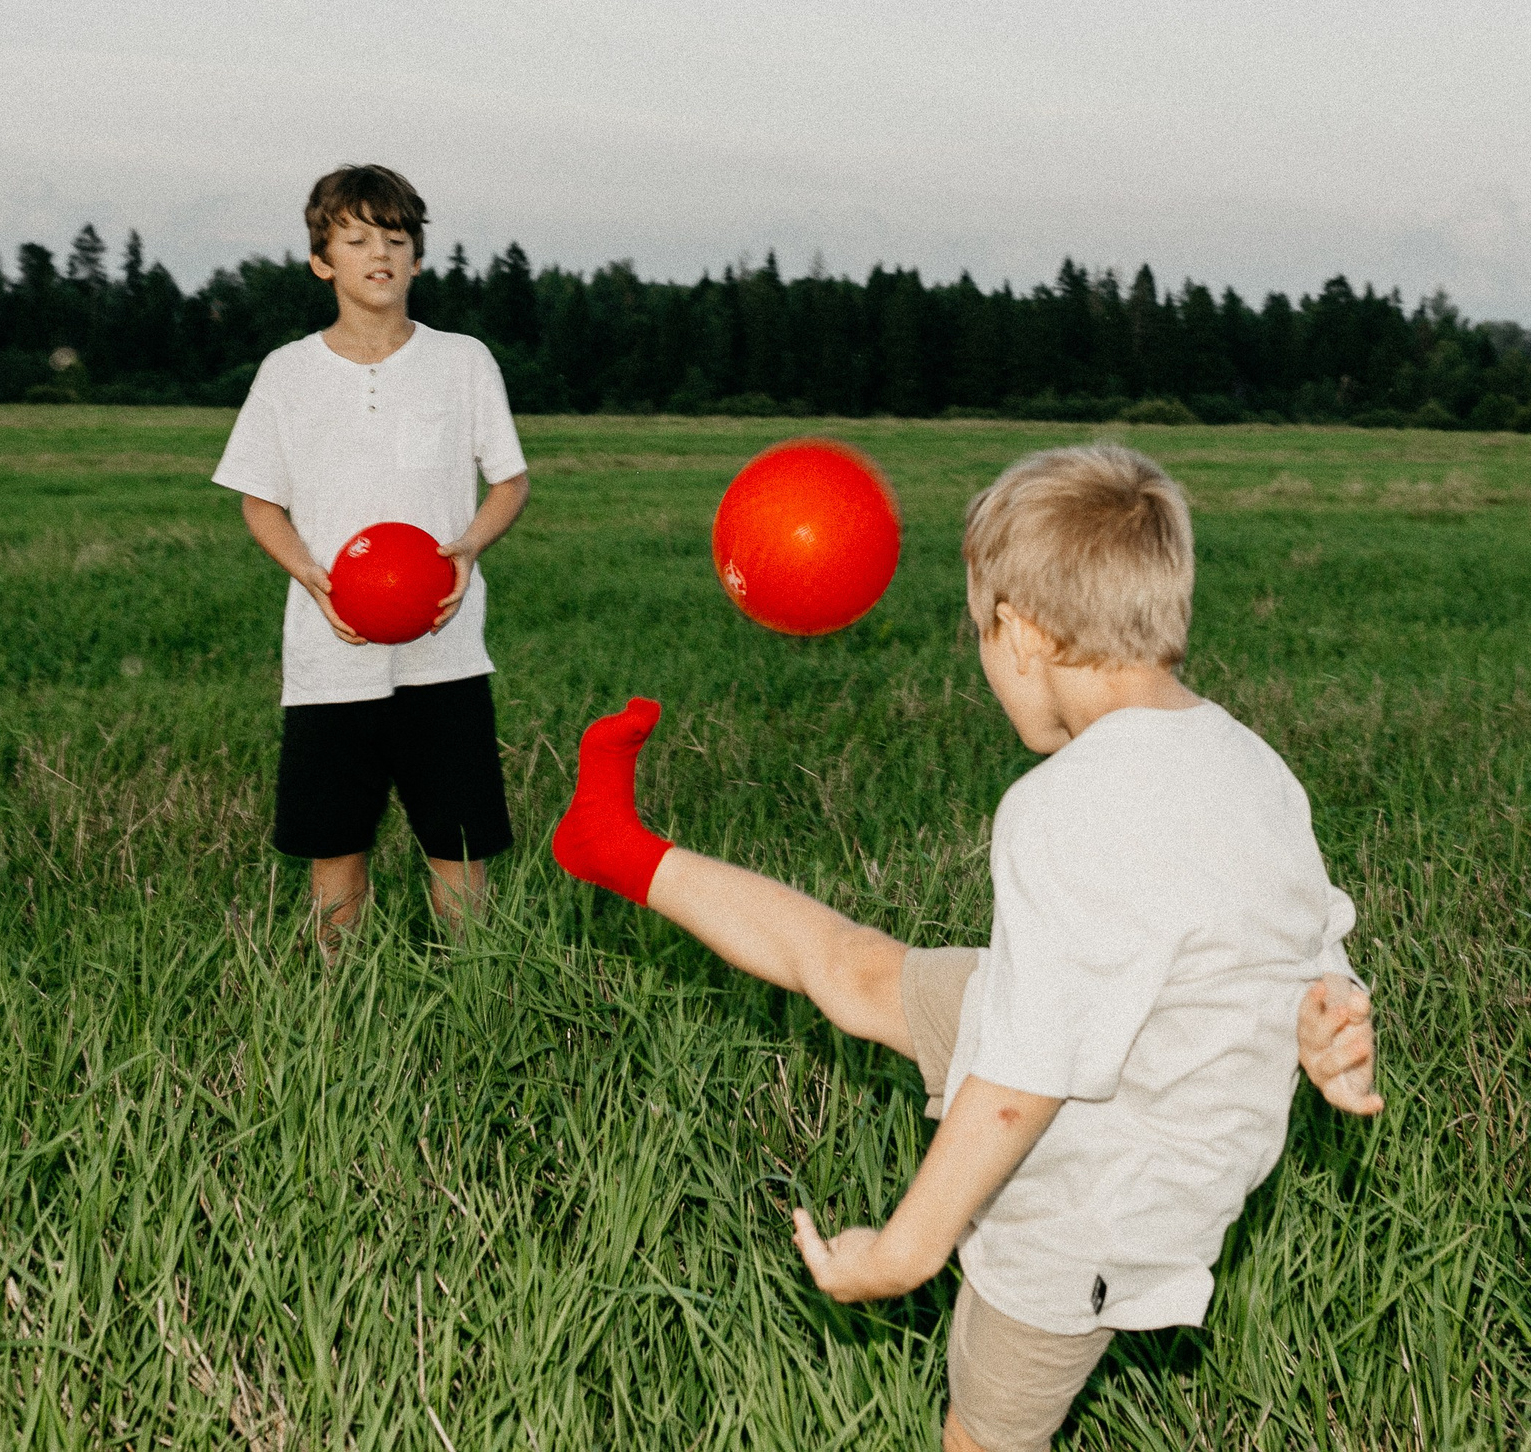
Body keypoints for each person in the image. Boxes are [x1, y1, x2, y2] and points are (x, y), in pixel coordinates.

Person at [551, 442, 1381, 1452]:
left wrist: (903, 1249)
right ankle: (618, 848)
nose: (984, 660)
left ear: (1022, 632)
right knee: (860, 971)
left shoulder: (1062, 807)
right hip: (1107, 1025)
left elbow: (1017, 1086)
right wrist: (1325, 1008)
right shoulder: (1247, 759)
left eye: (978, 633)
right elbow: (1306, 927)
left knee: (983, 1436)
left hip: (1099, 1186)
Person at [213, 164, 530, 949]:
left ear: (417, 258)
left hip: (445, 654)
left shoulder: (462, 361)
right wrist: (312, 579)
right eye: (355, 239)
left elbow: (510, 482)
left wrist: (468, 547)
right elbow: (261, 501)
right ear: (324, 261)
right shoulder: (287, 374)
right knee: (336, 851)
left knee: (458, 850)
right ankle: (337, 1007)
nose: (378, 253)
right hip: (330, 658)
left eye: (396, 238)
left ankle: (474, 993)